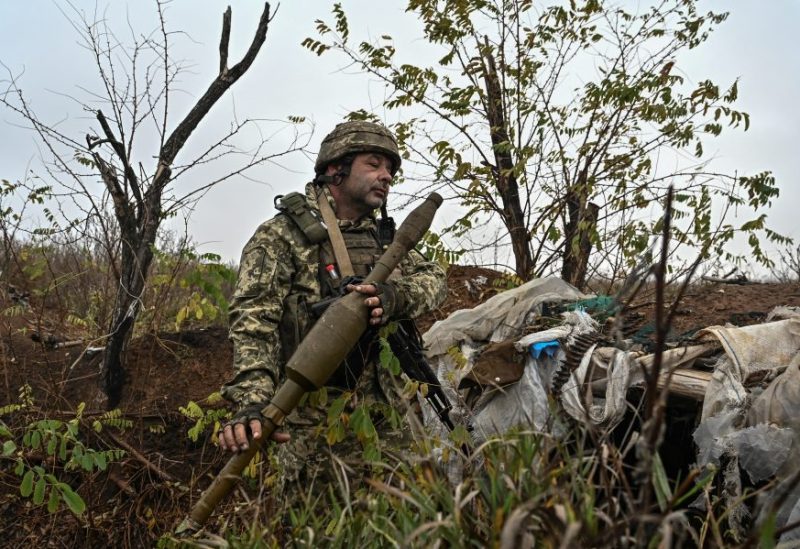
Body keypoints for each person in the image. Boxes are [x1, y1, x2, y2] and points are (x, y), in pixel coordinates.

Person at [217, 120, 447, 494]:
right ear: (334, 170)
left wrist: (394, 298)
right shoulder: (282, 236)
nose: (386, 176)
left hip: (389, 417)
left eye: (390, 169)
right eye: (374, 164)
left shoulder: (383, 237)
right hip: (315, 426)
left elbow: (435, 281)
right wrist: (253, 401)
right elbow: (254, 321)